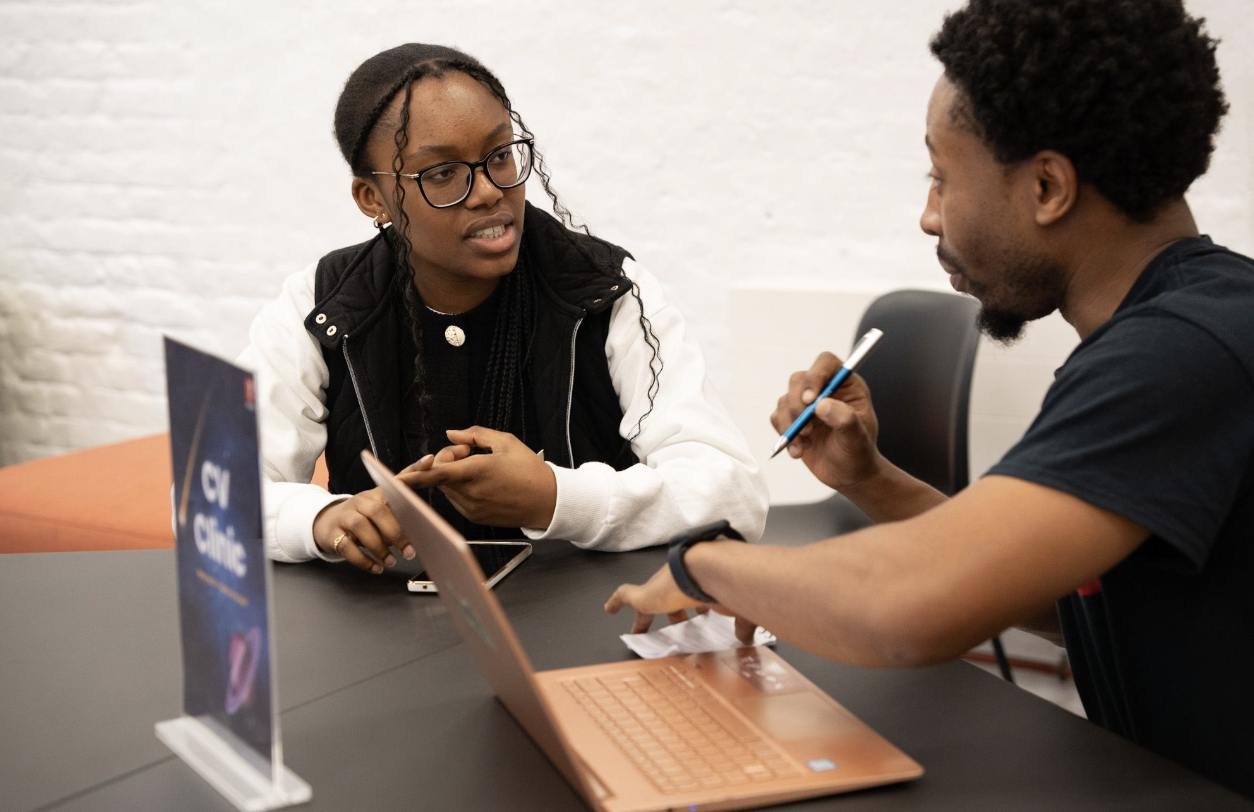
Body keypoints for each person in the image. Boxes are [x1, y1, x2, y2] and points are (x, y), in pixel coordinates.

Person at [605, 0, 1254, 799]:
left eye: (943, 178)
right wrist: (869, 480)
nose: (928, 215)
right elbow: (1069, 597)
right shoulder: (1177, 331)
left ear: (1048, 185)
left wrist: (706, 565)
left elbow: (906, 607)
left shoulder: (1185, 350)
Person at [240, 43, 767, 572]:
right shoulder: (321, 306)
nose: (490, 190)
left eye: (499, 155)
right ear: (371, 198)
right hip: (381, 634)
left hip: (588, 631)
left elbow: (732, 493)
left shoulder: (606, 291)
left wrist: (557, 499)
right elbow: (212, 498)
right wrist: (320, 520)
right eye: (442, 173)